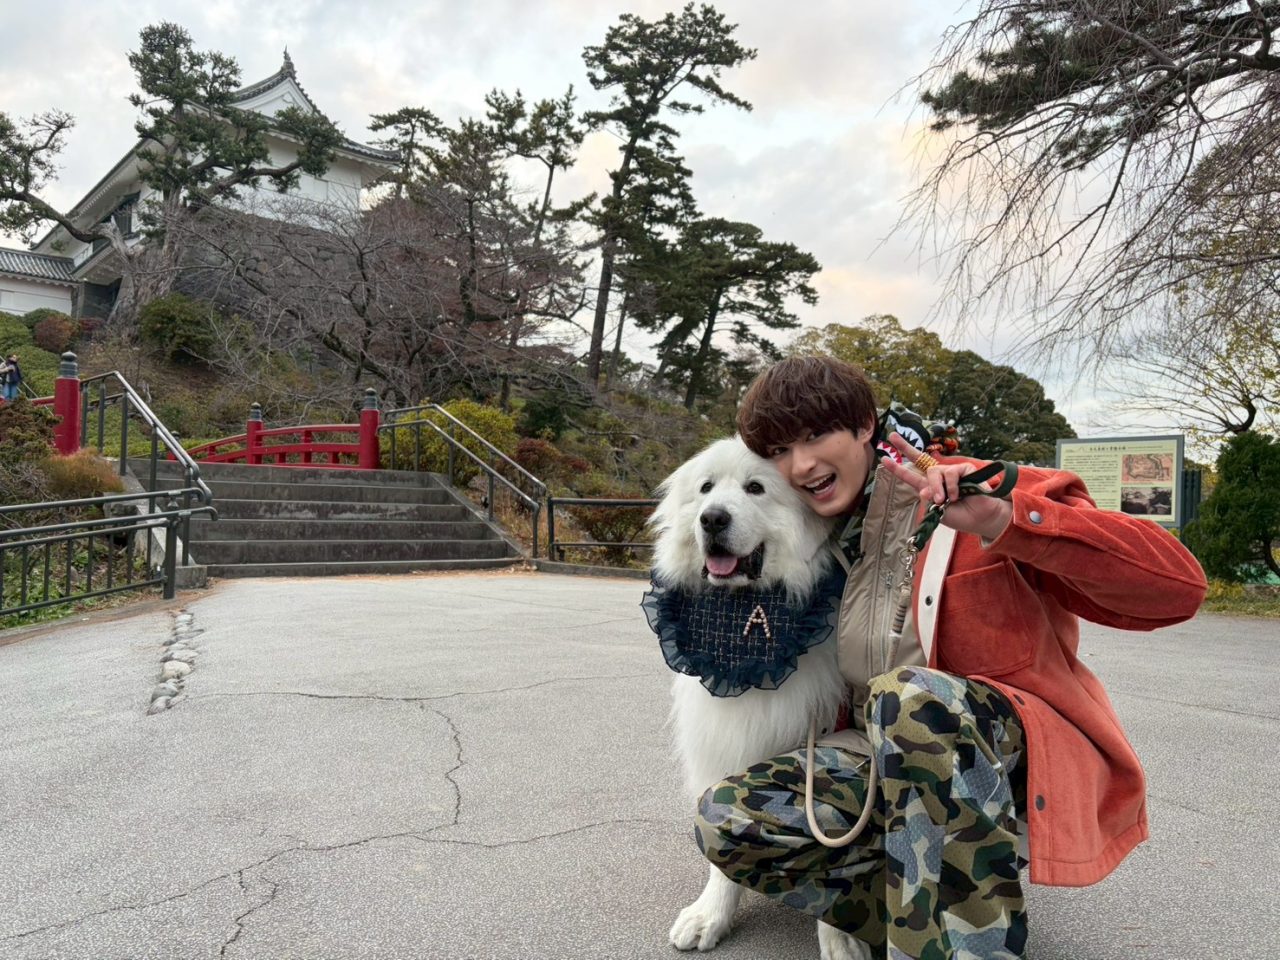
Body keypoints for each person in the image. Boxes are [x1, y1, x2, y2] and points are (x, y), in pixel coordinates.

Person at [692, 355, 1206, 960]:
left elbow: (1177, 589)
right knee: (728, 818)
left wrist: (1007, 520)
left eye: (815, 436)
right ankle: (897, 903)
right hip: (883, 757)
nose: (800, 464)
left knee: (911, 698)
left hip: (998, 756)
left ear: (864, 426)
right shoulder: (818, 538)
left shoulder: (978, 487)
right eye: (780, 449)